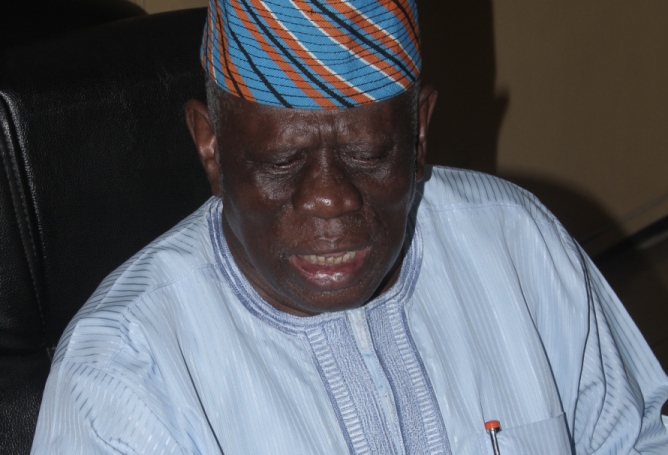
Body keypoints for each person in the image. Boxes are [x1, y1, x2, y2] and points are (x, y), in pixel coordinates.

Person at [32, 0, 668, 453]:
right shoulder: (122, 371)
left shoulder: (515, 241)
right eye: (282, 162)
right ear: (210, 146)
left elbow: (637, 436)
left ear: (419, 131)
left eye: (369, 154)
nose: (331, 200)